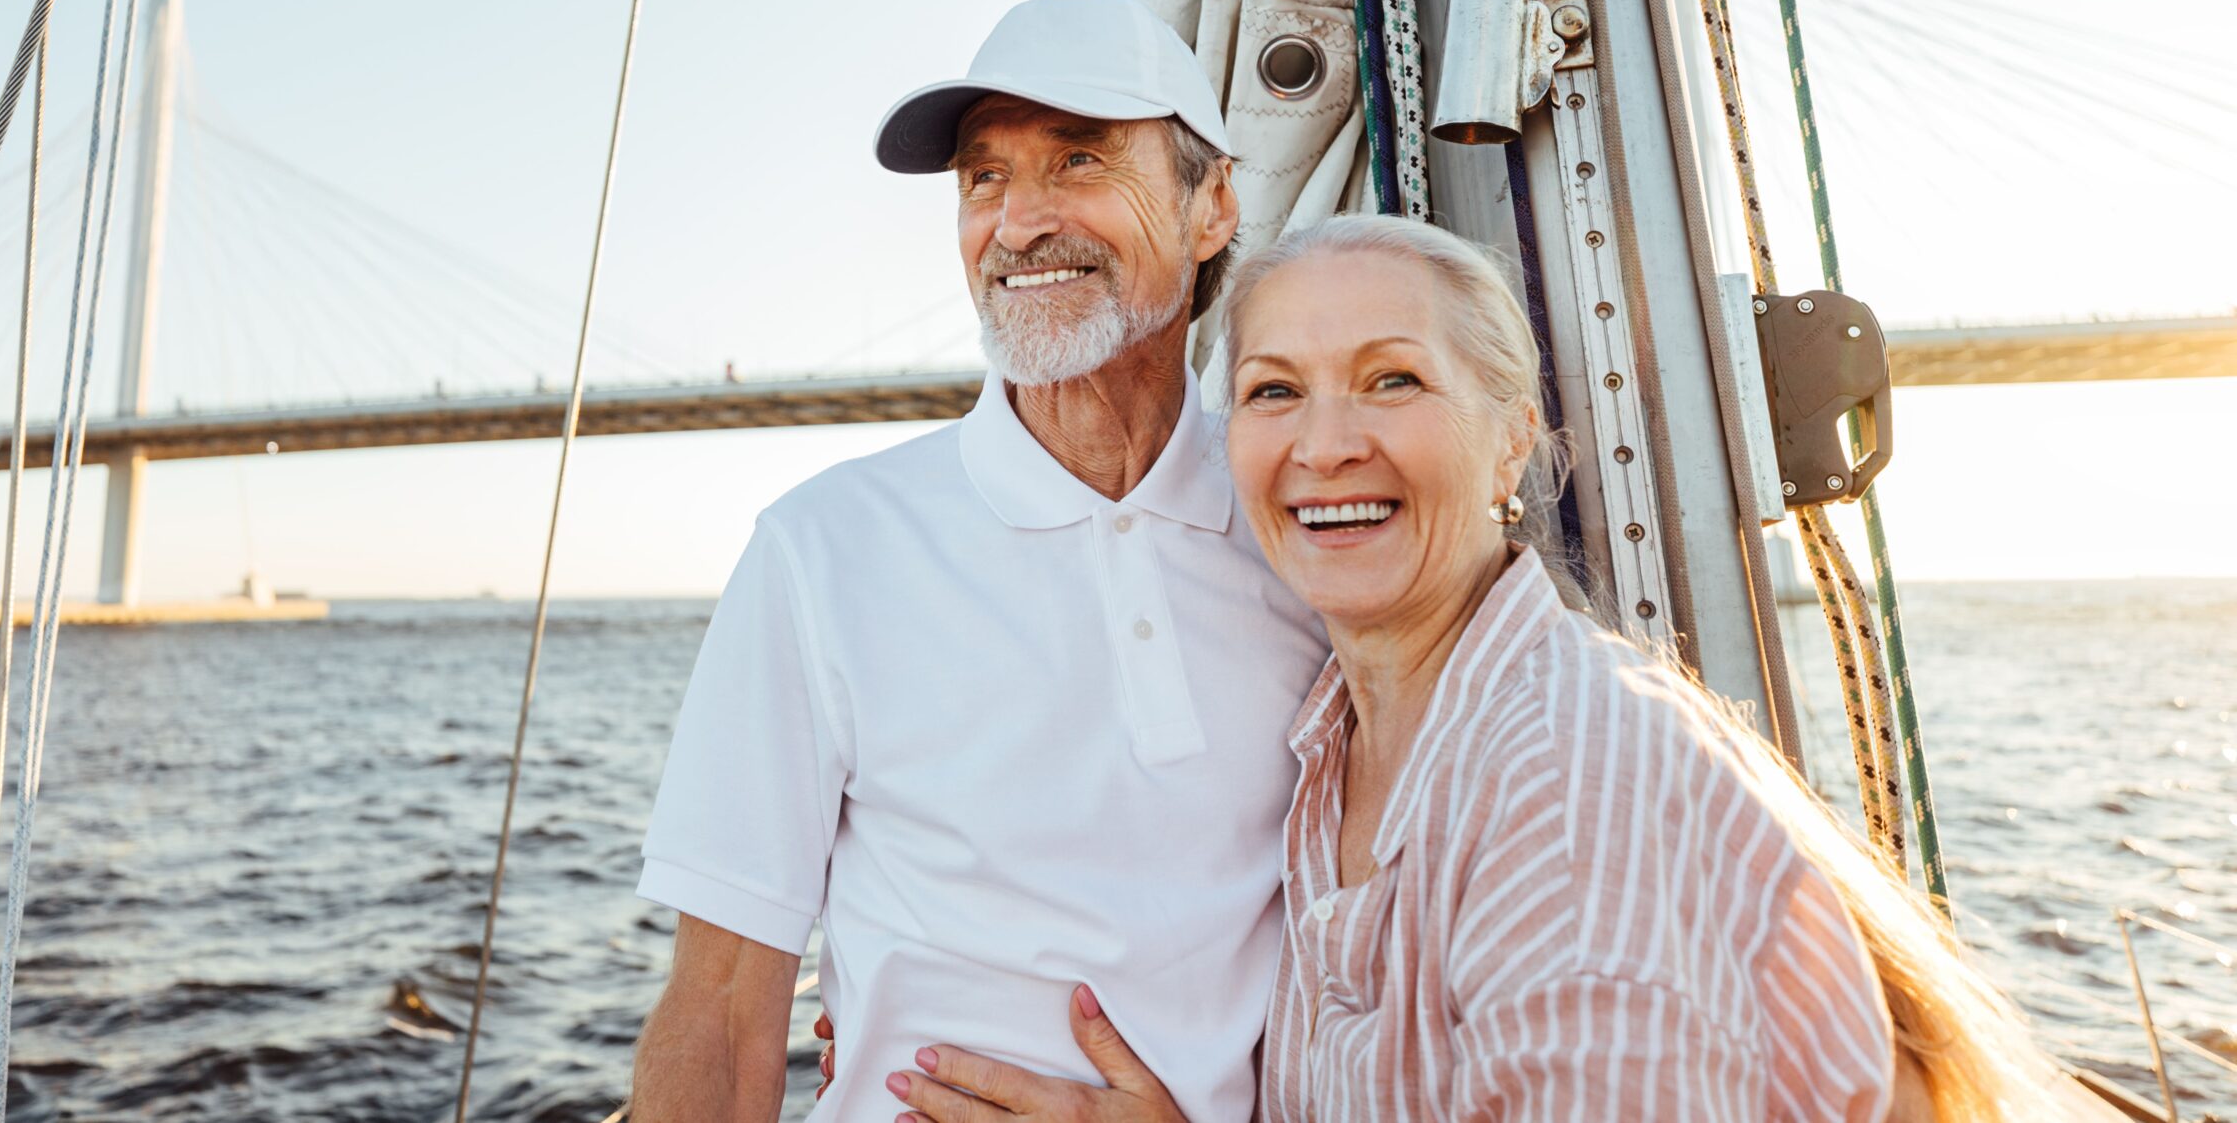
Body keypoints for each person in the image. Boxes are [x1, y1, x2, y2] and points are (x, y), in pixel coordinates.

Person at [879, 215, 2108, 1123]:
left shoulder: (1565, 800)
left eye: (1392, 380)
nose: (1324, 445)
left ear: (1512, 432)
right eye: (1272, 392)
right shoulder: (1335, 744)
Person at [626, 0, 1330, 1122]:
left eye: (1079, 159)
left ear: (1212, 208)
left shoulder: (1312, 534)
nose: (1015, 224)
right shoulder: (822, 551)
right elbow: (717, 1009)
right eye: (983, 179)